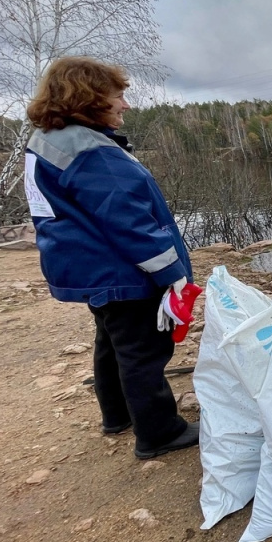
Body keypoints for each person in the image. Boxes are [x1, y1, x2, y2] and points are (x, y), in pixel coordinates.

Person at [24, 56, 200, 460]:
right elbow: (129, 222)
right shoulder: (89, 149)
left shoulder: (52, 140)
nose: (125, 104)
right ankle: (159, 432)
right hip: (121, 270)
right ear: (89, 98)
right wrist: (172, 274)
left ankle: (117, 415)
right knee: (143, 350)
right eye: (118, 95)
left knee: (112, 342)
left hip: (93, 269)